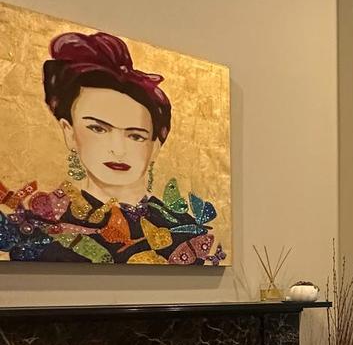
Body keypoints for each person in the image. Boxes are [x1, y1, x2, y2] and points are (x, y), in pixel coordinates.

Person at [0, 30, 224, 264]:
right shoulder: (41, 224)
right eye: (98, 129)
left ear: (155, 146)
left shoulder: (184, 228)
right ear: (69, 132)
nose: (117, 149)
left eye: (135, 136)